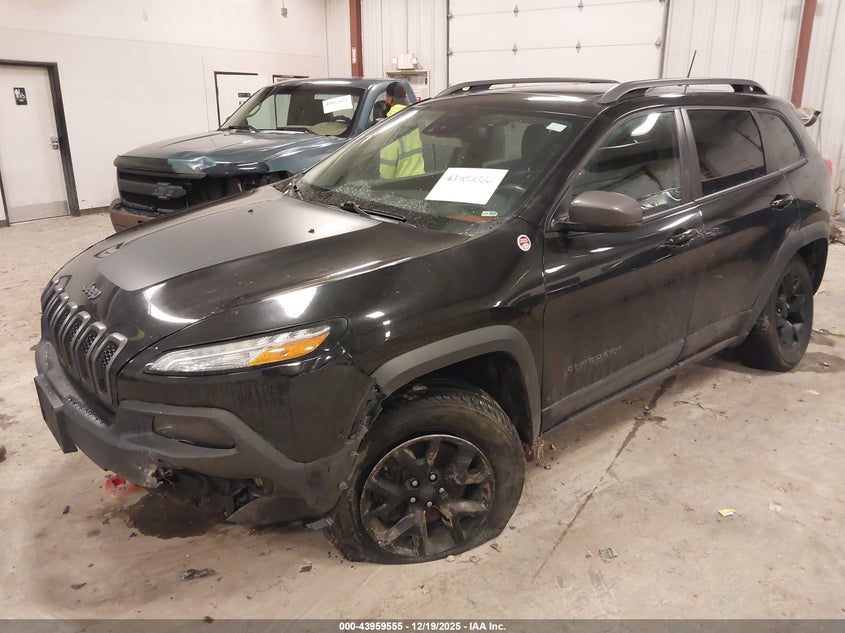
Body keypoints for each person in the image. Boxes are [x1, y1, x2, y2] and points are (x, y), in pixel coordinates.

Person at [379, 82, 424, 179]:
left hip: (400, 183)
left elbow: (388, 162)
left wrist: (384, 182)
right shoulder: (413, 119)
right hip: (419, 177)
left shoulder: (390, 123)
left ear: (389, 98)